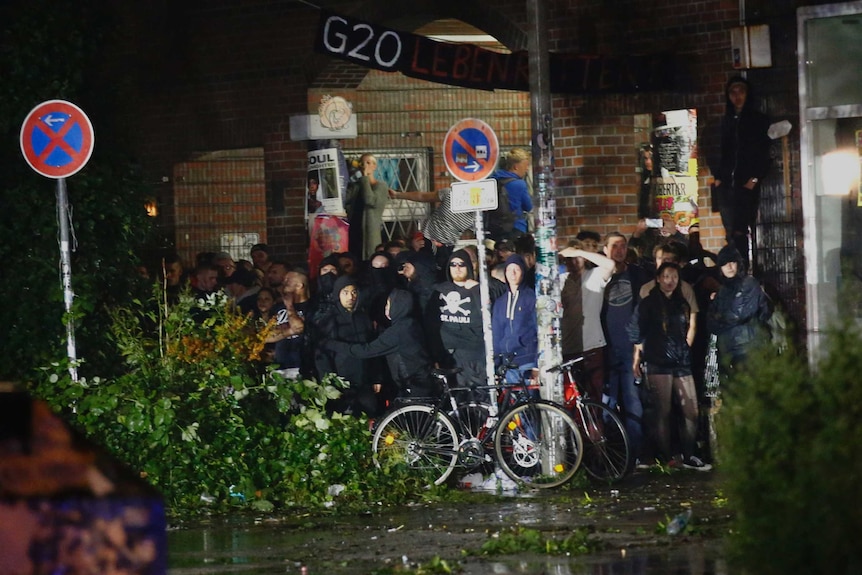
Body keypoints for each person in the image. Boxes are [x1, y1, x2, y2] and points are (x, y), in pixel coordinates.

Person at [628, 262, 710, 471]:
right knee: (662, 411)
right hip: (658, 361)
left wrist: (684, 346)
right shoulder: (648, 303)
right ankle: (667, 458)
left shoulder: (681, 301)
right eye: (665, 276)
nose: (669, 281)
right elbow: (635, 331)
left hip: (681, 360)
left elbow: (688, 325)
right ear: (658, 278)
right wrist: (641, 352)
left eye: (673, 276)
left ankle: (689, 454)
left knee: (691, 409)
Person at [321, 288, 437, 398]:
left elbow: (364, 351)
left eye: (388, 305)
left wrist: (332, 344)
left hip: (416, 384)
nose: (386, 308)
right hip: (423, 379)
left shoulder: (398, 331)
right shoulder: (411, 324)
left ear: (398, 306)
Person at [712, 76, 771, 268]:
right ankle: (735, 270)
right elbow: (719, 151)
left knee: (740, 229)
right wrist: (719, 178)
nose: (737, 97)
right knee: (730, 230)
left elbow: (765, 152)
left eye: (741, 92)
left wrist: (754, 178)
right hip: (726, 184)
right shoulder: (726, 122)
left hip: (745, 183)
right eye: (733, 93)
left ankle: (743, 268)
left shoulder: (758, 121)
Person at [600, 232, 648, 462]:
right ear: (605, 250)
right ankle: (609, 453)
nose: (619, 250)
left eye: (623, 246)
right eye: (614, 246)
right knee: (605, 403)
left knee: (633, 403)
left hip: (631, 350)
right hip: (605, 348)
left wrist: (640, 345)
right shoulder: (598, 276)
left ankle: (635, 455)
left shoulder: (637, 275)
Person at [314, 276, 380, 415]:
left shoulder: (363, 318)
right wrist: (328, 384)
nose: (351, 296)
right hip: (340, 382)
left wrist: (376, 377)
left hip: (364, 380)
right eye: (345, 292)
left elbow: (373, 348)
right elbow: (322, 354)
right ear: (338, 294)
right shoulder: (329, 320)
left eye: (354, 292)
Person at [558, 241, 616, 401]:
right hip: (568, 347)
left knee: (594, 397)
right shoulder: (561, 280)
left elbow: (610, 264)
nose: (574, 261)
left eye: (577, 258)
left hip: (592, 346)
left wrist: (579, 252)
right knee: (571, 398)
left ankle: (595, 426)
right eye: (570, 259)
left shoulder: (595, 276)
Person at [428, 249, 487, 398]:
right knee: (453, 399)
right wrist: (435, 355)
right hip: (447, 355)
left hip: (473, 355)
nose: (457, 268)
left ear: (469, 266)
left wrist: (476, 289)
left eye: (461, 264)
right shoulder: (439, 290)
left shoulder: (479, 290)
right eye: (453, 264)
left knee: (477, 397)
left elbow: (486, 316)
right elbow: (430, 324)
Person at [707, 245, 771, 375]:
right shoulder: (722, 290)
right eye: (725, 264)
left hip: (750, 346)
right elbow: (710, 322)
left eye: (732, 262)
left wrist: (720, 318)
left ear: (739, 263)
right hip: (729, 348)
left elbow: (741, 314)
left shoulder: (749, 283)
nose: (729, 267)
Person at [492, 254, 538, 385]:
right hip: (507, 363)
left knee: (530, 403)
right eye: (509, 270)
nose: (512, 274)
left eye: (516, 269)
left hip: (527, 361)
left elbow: (539, 330)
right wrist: (495, 365)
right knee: (512, 403)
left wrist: (536, 365)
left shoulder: (531, 298)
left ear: (522, 272)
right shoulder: (500, 302)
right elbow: (497, 334)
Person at [347, 153, 389, 260]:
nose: (365, 165)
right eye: (363, 163)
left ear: (374, 166)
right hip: (354, 230)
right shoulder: (357, 185)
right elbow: (346, 199)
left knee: (368, 259)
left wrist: (365, 177)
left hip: (368, 232)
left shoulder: (380, 186)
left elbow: (370, 200)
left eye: (368, 163)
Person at [488, 148, 532, 241]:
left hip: (495, 229)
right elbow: (528, 206)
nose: (527, 169)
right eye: (526, 165)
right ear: (516, 167)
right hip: (516, 228)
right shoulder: (520, 184)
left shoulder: (493, 180)